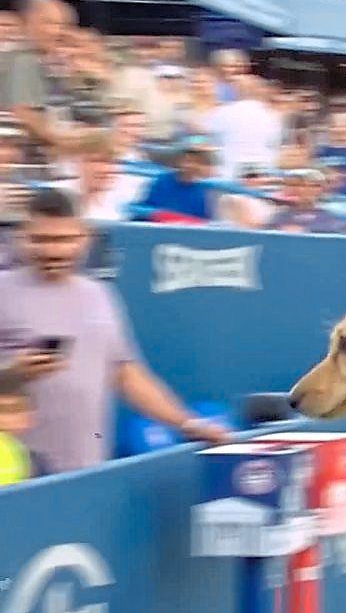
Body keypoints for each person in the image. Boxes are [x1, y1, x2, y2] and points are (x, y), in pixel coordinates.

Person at [0, 188, 228, 475]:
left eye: (63, 239)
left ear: (84, 238)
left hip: (83, 470)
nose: (52, 250)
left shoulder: (99, 294)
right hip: (14, 479)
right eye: (40, 239)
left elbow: (126, 374)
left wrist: (188, 423)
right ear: (22, 238)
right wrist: (12, 372)